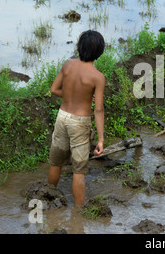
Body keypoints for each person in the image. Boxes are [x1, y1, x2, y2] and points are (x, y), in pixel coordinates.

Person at [47, 30, 106, 207]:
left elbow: (54, 90)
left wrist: (76, 95)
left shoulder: (68, 65)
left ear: (79, 47)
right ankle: (79, 213)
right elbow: (99, 110)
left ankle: (48, 198)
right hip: (79, 122)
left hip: (62, 117)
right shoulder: (98, 77)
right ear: (99, 52)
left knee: (56, 163)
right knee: (79, 170)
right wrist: (101, 139)